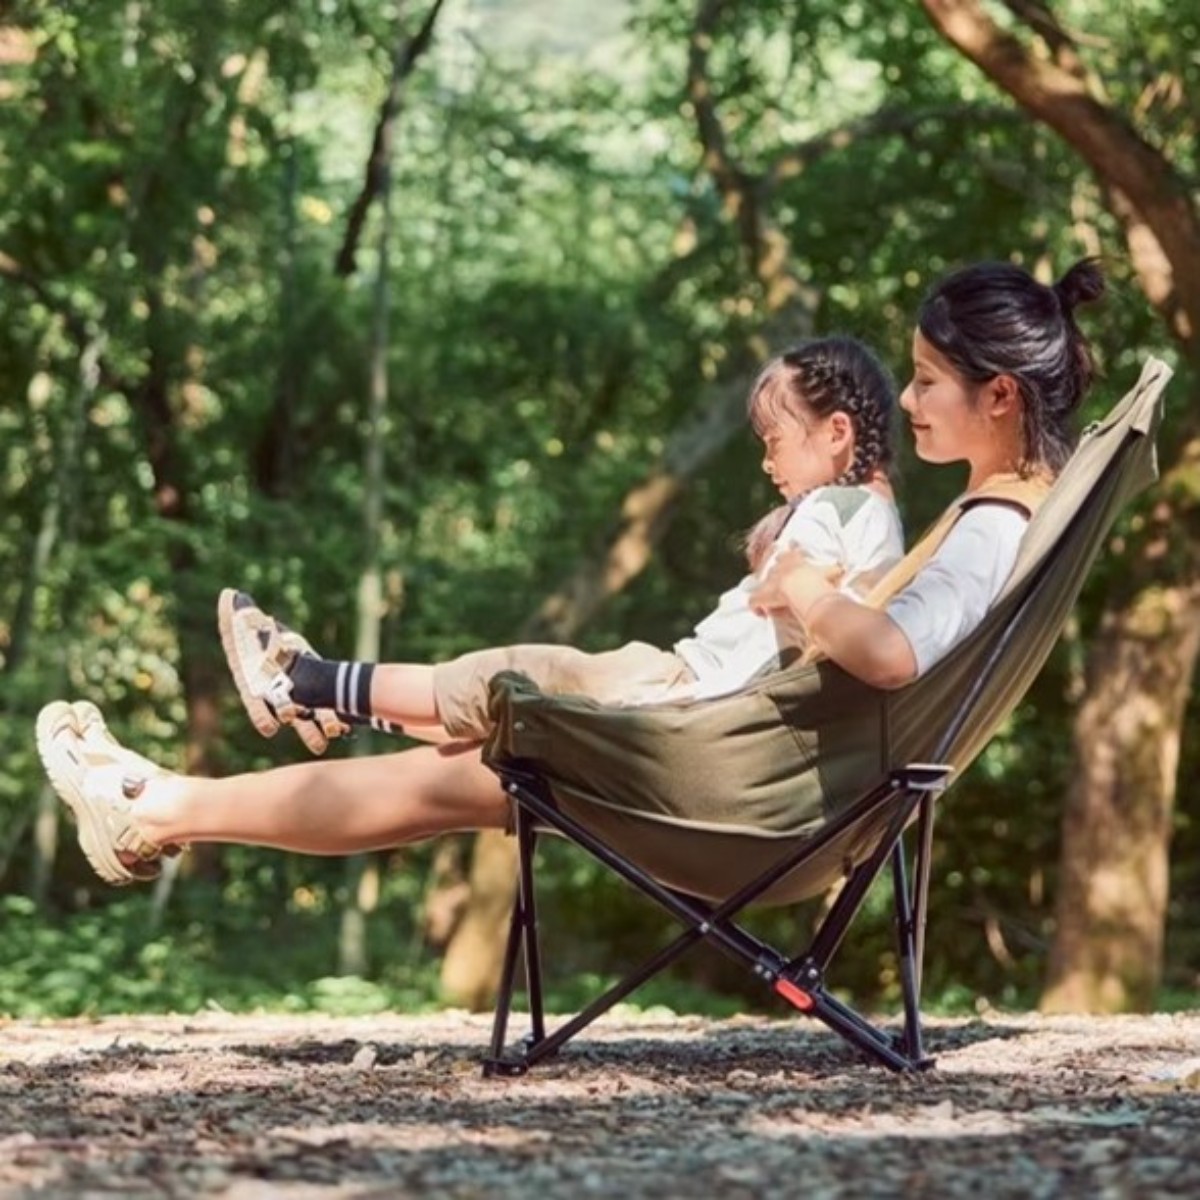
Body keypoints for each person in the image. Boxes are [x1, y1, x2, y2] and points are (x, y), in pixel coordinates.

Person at [35, 258, 1105, 888]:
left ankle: (183, 785)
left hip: (742, 786)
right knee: (468, 759)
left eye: (927, 381)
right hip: (751, 766)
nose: (911, 403)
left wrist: (801, 584)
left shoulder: (984, 532)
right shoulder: (997, 518)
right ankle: (180, 789)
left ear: (1000, 395)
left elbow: (887, 652)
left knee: (482, 744)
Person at [220, 334, 902, 756]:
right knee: (496, 706)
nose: (767, 464)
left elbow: (790, 577)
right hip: (689, 695)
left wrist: (783, 567)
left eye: (774, 442)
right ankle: (326, 698)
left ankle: (301, 678)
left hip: (682, 697)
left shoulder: (834, 507)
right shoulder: (877, 523)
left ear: (835, 432)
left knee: (506, 678)